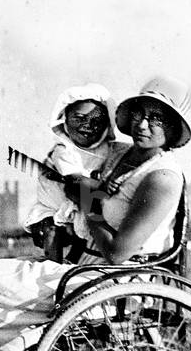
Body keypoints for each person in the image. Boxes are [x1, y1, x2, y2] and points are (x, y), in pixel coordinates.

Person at [0, 75, 191, 351]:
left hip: (113, 278)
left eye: (158, 119)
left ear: (172, 129)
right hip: (82, 263)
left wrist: (88, 204)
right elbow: (69, 167)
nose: (143, 124)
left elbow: (119, 251)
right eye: (140, 113)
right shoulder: (120, 154)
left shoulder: (162, 178)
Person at [23, 83, 127, 261]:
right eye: (79, 118)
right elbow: (75, 180)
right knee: (51, 229)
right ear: (65, 120)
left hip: (83, 200)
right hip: (57, 202)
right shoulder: (64, 149)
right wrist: (106, 187)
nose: (87, 125)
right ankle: (52, 263)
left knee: (85, 227)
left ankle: (74, 258)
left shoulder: (108, 150)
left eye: (96, 120)